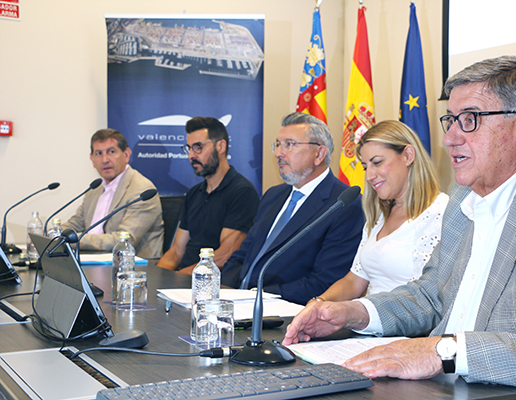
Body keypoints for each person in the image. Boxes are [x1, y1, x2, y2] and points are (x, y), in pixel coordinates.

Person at [283, 56, 516, 396]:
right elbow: (432, 293)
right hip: (441, 386)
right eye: (450, 120)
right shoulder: (466, 192)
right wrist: (352, 313)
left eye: (469, 120)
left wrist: (444, 352)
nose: (449, 138)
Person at [221, 112, 364, 305]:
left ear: (319, 154)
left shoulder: (344, 204)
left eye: (289, 144)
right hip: (238, 304)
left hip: (285, 313)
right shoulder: (273, 195)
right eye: (278, 144)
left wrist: (256, 297)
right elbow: (244, 253)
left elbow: (325, 281)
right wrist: (225, 291)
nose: (278, 153)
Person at [310, 121, 448, 303]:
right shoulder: (379, 215)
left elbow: (425, 297)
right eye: (366, 167)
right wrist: (318, 304)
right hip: (367, 323)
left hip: (405, 327)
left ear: (408, 155)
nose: (369, 176)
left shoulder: (440, 212)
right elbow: (353, 281)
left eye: (377, 162)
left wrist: (357, 314)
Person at [156, 117, 260, 274]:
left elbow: (224, 256)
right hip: (182, 281)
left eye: (198, 147)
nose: (191, 155)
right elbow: (176, 252)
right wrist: (154, 279)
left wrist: (176, 279)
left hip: (213, 287)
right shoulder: (193, 193)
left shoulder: (242, 192)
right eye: (189, 148)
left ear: (221, 146)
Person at [62, 129, 163, 259]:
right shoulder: (95, 189)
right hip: (91, 260)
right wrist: (54, 233)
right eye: (98, 153)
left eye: (111, 152)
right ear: (92, 159)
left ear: (126, 155)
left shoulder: (141, 190)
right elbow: (75, 223)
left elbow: (124, 240)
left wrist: (75, 240)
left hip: (131, 269)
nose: (105, 160)